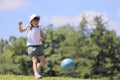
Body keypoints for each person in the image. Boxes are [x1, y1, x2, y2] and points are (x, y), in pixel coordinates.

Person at [18, 14, 46, 79]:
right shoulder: (28, 27)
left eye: (37, 20)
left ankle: (39, 65)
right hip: (31, 46)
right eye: (35, 20)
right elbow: (21, 31)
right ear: (31, 21)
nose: (36, 22)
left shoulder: (40, 27)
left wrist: (41, 38)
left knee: (44, 62)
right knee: (34, 60)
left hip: (39, 45)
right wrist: (20, 26)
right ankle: (36, 74)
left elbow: (42, 36)